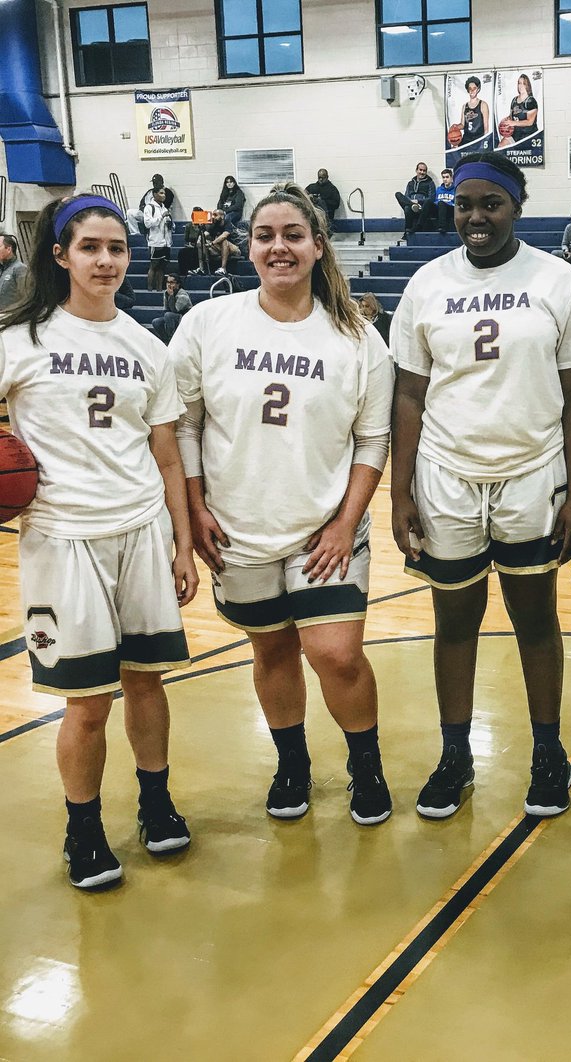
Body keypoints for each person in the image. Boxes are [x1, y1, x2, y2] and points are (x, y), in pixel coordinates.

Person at [171, 183, 395, 827]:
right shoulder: (208, 323)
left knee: (336, 655)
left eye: (293, 235)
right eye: (265, 235)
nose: (279, 247)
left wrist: (345, 524)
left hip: (322, 529)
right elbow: (184, 424)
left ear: (318, 246)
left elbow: (372, 440)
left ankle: (366, 766)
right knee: (270, 652)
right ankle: (292, 764)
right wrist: (195, 509)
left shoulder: (358, 338)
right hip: (235, 529)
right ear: (247, 247)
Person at [390, 151, 571, 821]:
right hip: (446, 473)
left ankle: (548, 753)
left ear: (516, 207)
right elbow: (409, 395)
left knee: (535, 619)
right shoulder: (426, 283)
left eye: (491, 204)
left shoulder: (559, 281)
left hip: (532, 472)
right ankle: (455, 755)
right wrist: (399, 492)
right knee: (454, 623)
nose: (475, 217)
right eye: (464, 205)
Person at [0, 193, 197, 889]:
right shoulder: (18, 340)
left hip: (141, 530)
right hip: (63, 538)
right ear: (60, 255)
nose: (106, 260)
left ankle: (155, 802)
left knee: (147, 682)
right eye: (90, 247)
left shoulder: (147, 346)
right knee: (86, 703)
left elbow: (167, 454)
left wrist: (182, 543)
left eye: (117, 248)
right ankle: (82, 830)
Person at [395, 162, 435, 241]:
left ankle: (406, 234)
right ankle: (412, 206)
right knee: (398, 194)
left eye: (424, 171)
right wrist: (412, 203)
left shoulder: (430, 183)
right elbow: (406, 196)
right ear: (416, 170)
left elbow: (431, 198)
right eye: (420, 170)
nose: (422, 172)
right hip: (411, 206)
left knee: (408, 208)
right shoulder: (410, 183)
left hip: (422, 207)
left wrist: (418, 201)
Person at [143, 186, 173, 292]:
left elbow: (169, 225)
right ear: (155, 194)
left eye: (164, 193)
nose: (164, 195)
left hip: (166, 242)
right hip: (155, 241)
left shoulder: (164, 208)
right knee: (154, 265)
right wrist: (161, 217)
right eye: (161, 193)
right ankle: (150, 289)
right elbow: (148, 223)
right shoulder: (149, 207)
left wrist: (170, 223)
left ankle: (159, 288)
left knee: (162, 266)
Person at [151, 272, 192, 344]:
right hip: (172, 316)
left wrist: (171, 296)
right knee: (156, 321)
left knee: (168, 315)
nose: (169, 285)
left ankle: (173, 339)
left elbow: (174, 310)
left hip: (185, 318)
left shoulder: (183, 295)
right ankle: (166, 340)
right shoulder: (166, 293)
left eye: (172, 282)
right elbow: (165, 309)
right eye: (167, 282)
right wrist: (169, 296)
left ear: (178, 284)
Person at [501, 73, 539, 145]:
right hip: (516, 134)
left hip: (528, 135)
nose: (521, 86)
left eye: (523, 83)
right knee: (501, 145)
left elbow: (530, 122)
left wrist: (514, 123)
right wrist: (506, 120)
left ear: (527, 85)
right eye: (519, 83)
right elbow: (511, 116)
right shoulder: (514, 100)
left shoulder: (530, 101)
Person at [460, 75, 490, 148]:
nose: (472, 90)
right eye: (470, 88)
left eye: (474, 88)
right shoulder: (464, 106)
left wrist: (485, 141)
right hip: (466, 140)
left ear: (478, 89)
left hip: (478, 140)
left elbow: (486, 128)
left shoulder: (483, 104)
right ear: (467, 90)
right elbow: (462, 125)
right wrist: (456, 127)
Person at [0, 234, 28, 310]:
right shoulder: (2, 269)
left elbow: (27, 298)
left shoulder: (20, 268)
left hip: (13, 315)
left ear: (8, 249)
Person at [433, 169, 455, 236]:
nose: (445, 179)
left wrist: (445, 203)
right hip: (440, 208)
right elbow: (436, 201)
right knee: (429, 202)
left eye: (447, 177)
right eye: (443, 177)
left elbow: (456, 203)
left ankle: (442, 227)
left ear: (451, 178)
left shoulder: (456, 189)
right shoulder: (439, 189)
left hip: (450, 209)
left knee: (441, 203)